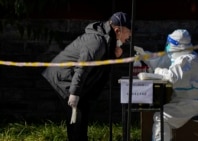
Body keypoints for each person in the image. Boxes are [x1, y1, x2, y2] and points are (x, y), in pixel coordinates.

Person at [42, 12, 131, 141]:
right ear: (118, 30)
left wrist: (113, 54)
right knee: (77, 118)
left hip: (71, 77)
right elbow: (82, 67)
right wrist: (74, 92)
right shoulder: (97, 41)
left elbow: (99, 63)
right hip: (64, 77)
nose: (129, 37)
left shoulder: (106, 39)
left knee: (80, 117)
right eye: (128, 34)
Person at [152, 29, 198, 141]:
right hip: (191, 101)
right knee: (161, 113)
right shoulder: (186, 58)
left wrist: (158, 70)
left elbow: (172, 77)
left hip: (196, 103)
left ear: (176, 46)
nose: (167, 47)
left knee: (161, 117)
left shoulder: (186, 60)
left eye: (169, 44)